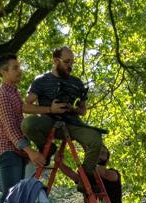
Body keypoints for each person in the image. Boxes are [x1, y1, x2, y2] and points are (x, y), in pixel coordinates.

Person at [21, 46, 102, 191]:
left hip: (72, 124)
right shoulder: (41, 80)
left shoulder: (77, 82)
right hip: (49, 123)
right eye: (66, 62)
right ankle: (48, 147)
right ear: (55, 60)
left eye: (72, 62)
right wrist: (50, 109)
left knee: (96, 139)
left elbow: (83, 110)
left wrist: (73, 109)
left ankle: (86, 175)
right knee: (28, 124)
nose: (70, 65)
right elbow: (26, 106)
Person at [0, 53, 45, 203]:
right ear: (3, 72)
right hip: (8, 150)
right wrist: (30, 151)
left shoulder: (14, 92)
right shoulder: (2, 95)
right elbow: (10, 128)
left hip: (17, 151)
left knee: (17, 194)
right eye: (14, 68)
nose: (19, 70)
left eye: (19, 66)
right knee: (10, 194)